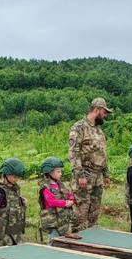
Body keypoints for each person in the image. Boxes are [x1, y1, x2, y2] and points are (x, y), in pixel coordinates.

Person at [68, 97, 112, 230]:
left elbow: (103, 153)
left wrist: (106, 174)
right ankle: (76, 244)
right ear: (97, 109)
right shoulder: (79, 127)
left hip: (98, 176)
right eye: (104, 112)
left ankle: (92, 241)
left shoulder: (98, 130)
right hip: (84, 175)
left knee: (94, 213)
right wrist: (80, 174)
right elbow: (73, 152)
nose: (105, 116)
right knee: (81, 213)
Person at [0, 158, 27, 247]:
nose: (16, 179)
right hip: (4, 228)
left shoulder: (15, 189)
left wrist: (22, 201)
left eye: (18, 177)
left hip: (15, 228)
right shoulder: (1, 191)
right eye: (14, 177)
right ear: (6, 174)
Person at [38, 157, 75, 242]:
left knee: (65, 239)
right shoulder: (45, 187)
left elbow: (69, 194)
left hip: (63, 219)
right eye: (58, 171)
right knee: (54, 239)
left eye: (61, 171)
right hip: (53, 221)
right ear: (49, 173)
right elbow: (50, 201)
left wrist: (71, 200)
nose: (61, 173)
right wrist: (65, 203)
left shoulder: (60, 184)